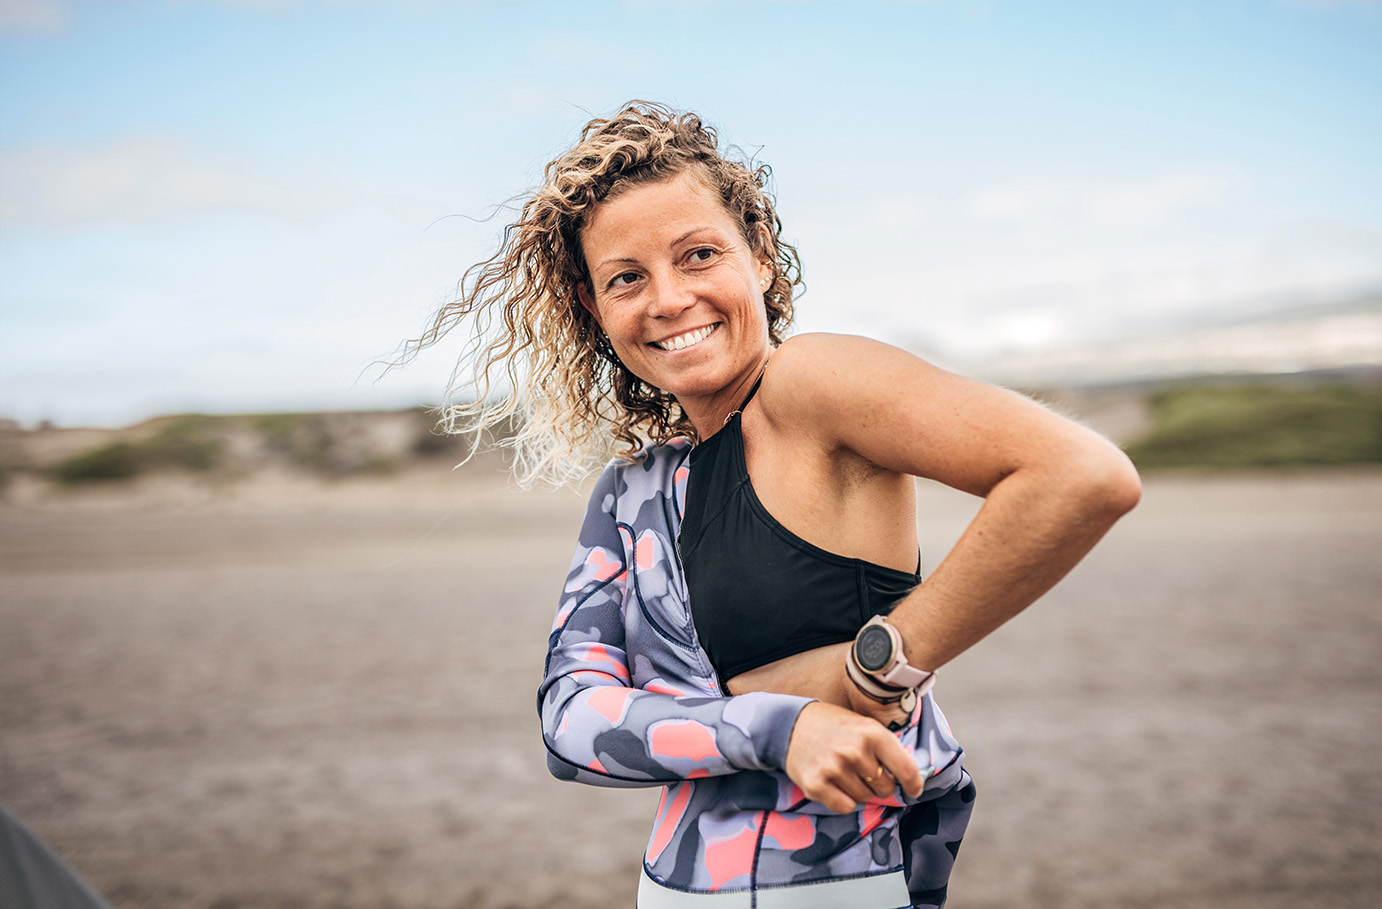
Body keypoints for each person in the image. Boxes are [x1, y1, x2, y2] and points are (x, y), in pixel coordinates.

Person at [412, 101, 1141, 907]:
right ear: (594, 308)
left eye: (698, 255)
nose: (668, 298)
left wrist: (877, 665)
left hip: (844, 881)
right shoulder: (632, 489)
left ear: (759, 256)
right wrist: (779, 724)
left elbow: (1079, 474)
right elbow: (570, 725)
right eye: (627, 277)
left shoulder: (810, 383)